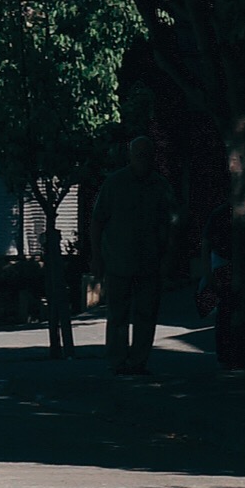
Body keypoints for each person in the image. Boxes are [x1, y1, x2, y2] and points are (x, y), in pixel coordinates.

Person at [92, 135, 177, 376]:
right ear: (130, 156)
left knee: (146, 314)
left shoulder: (160, 186)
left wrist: (169, 258)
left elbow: (171, 225)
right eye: (138, 155)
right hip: (118, 260)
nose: (143, 160)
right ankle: (117, 361)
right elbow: (97, 221)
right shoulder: (115, 183)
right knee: (117, 314)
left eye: (147, 155)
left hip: (149, 261)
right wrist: (96, 256)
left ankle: (139, 361)